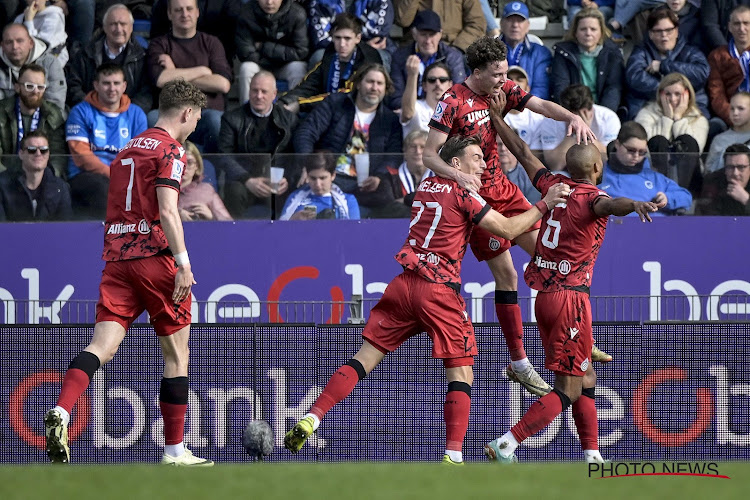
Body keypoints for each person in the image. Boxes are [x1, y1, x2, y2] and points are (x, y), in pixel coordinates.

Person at [283, 134, 571, 463]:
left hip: (405, 283)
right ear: (456, 164)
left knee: (364, 358)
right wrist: (544, 203)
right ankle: (453, 455)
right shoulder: (464, 194)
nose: (483, 163)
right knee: (462, 372)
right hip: (439, 291)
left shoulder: (426, 186)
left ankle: (313, 416)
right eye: (476, 157)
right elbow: (506, 229)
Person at [484, 95, 664, 465]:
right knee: (567, 388)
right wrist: (635, 204)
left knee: (587, 377)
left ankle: (592, 455)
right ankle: (508, 442)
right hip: (570, 300)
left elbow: (520, 150)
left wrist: (495, 117)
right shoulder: (594, 197)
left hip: (545, 298)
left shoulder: (553, 185)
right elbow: (609, 206)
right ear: (598, 167)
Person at [423, 35, 606, 398]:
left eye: (505, 73)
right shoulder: (452, 101)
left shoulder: (502, 86)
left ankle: (579, 336)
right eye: (496, 74)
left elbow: (538, 104)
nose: (504, 81)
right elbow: (430, 155)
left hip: (504, 189)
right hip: (475, 200)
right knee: (507, 276)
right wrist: (460, 176)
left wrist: (571, 117)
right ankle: (519, 362)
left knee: (551, 257)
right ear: (476, 72)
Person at [44, 78, 213, 467]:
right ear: (186, 113)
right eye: (197, 118)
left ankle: (63, 410)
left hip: (117, 259)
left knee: (100, 347)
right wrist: (183, 264)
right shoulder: (173, 150)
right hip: (155, 258)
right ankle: (174, 450)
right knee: (177, 355)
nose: (196, 126)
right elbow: (168, 210)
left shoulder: (125, 149)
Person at [294, 62, 404, 218]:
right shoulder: (335, 103)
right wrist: (308, 163)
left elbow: (394, 154)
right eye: (370, 81)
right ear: (358, 83)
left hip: (366, 183)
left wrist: (379, 176)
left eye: (380, 83)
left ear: (385, 89)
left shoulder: (390, 119)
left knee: (389, 197)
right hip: (331, 177)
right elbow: (306, 132)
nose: (374, 87)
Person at [147, 0, 232, 153]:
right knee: (153, 119)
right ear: (169, 14)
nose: (185, 14)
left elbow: (223, 84)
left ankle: (211, 172)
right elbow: (161, 80)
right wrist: (203, 70)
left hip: (205, 113)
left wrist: (175, 72)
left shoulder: (212, 43)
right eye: (178, 10)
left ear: (197, 12)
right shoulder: (159, 44)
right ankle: (165, 171)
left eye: (189, 9)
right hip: (171, 113)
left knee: (216, 121)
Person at [66, 62, 147, 219]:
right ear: (96, 85)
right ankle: (109, 238)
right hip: (86, 175)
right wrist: (114, 176)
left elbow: (140, 155)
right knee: (103, 188)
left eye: (116, 83)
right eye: (106, 83)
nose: (112, 89)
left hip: (124, 177)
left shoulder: (137, 114)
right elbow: (82, 156)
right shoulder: (80, 111)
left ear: (124, 86)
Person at [218, 71, 297, 219]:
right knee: (234, 190)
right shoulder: (232, 118)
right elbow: (224, 155)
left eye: (264, 91)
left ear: (274, 94)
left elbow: (295, 155)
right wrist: (247, 179)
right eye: (254, 90)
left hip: (277, 181)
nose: (258, 96)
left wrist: (288, 177)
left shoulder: (290, 120)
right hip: (244, 179)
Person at [278, 13, 385, 114]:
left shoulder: (367, 60)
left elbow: (343, 96)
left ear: (358, 38)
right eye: (338, 38)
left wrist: (300, 105)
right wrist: (285, 101)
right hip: (326, 112)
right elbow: (310, 84)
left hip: (354, 114)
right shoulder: (331, 54)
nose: (342, 44)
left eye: (347, 38)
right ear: (332, 37)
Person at [624, 7, 710, 120]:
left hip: (690, 104)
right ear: (650, 34)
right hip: (651, 105)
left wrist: (663, 66)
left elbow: (702, 72)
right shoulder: (641, 51)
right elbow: (635, 77)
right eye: (658, 31)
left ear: (677, 31)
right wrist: (667, 93)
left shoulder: (690, 51)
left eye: (669, 30)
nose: (664, 36)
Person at [66, 3, 152, 112]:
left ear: (131, 28)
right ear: (105, 27)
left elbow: (146, 94)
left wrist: (127, 112)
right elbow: (73, 86)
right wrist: (91, 108)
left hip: (127, 116)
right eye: (113, 24)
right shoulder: (85, 54)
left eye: (123, 24)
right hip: (90, 113)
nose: (118, 29)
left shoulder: (142, 57)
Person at [599, 121, 693, 215]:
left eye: (642, 152)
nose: (636, 156)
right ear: (617, 144)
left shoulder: (654, 177)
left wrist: (668, 198)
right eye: (631, 150)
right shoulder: (600, 176)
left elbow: (686, 197)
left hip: (656, 227)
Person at [634, 72, 708, 188]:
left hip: (688, 179)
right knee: (658, 140)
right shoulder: (646, 114)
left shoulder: (699, 119)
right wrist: (667, 119)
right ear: (660, 95)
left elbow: (694, 149)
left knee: (687, 140)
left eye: (678, 94)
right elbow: (647, 147)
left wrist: (678, 119)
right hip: (653, 177)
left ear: (687, 95)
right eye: (668, 94)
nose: (673, 99)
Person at [234, 0, 309, 105]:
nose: (269, 2)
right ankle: (245, 117)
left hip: (285, 65)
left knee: (299, 68)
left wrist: (263, 46)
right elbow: (245, 52)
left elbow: (301, 51)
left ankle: (292, 114)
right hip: (259, 64)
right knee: (246, 68)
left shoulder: (296, 13)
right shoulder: (246, 13)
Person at [550, 8, 625, 113]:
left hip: (603, 112)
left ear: (601, 32)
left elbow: (613, 90)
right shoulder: (563, 53)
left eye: (593, 29)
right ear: (575, 32)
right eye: (583, 29)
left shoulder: (613, 54)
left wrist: (601, 116)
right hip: (572, 111)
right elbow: (561, 88)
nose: (588, 33)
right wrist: (575, 115)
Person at [389, 9, 465, 110]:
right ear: (414, 34)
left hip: (443, 113)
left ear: (440, 34)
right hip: (411, 114)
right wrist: (419, 112)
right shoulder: (400, 56)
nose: (428, 41)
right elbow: (395, 98)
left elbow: (459, 96)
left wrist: (435, 113)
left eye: (432, 35)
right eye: (423, 35)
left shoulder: (453, 57)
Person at [0, 63, 66, 176]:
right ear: (17, 87)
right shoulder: (1, 112)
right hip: (6, 177)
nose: (35, 91)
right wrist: (7, 179)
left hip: (41, 177)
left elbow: (58, 155)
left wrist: (48, 178)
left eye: (40, 87)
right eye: (29, 86)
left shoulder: (53, 114)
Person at [540, 84, 621, 171]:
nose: (579, 120)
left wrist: (586, 133)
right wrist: (574, 133)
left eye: (583, 113)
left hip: (598, 171)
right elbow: (556, 166)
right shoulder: (550, 120)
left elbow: (607, 159)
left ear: (591, 108)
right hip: (566, 171)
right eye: (573, 116)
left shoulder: (608, 118)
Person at [0, 129, 71, 221]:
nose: (38, 154)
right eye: (32, 150)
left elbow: (66, 229)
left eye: (43, 150)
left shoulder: (60, 187)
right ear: (21, 154)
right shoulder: (2, 185)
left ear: (49, 154)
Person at [0, 23, 66, 110]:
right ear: (2, 46)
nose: (15, 47)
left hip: (45, 118)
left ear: (31, 43)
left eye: (19, 41)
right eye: (9, 42)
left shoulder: (50, 62)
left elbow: (56, 103)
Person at [280, 151, 360, 220]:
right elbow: (279, 232)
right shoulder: (294, 198)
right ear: (307, 176)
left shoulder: (348, 200)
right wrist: (292, 221)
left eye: (323, 178)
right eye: (313, 178)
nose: (318, 184)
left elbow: (354, 233)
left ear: (333, 176)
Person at [707, 5, 750, 127]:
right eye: (737, 24)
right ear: (730, 27)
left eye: (746, 23)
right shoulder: (717, 56)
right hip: (733, 115)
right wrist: (734, 118)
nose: (742, 28)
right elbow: (717, 95)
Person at [499, 2, 552, 100]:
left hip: (529, 110)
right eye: (510, 20)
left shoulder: (541, 53)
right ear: (501, 23)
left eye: (520, 20)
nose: (515, 25)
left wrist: (524, 109)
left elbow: (541, 89)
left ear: (528, 25)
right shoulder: (488, 52)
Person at [393, 0, 486, 53]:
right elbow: (402, 20)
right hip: (417, 46)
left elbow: (477, 24)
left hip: (453, 46)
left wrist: (457, 48)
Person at [178, 140, 232, 221]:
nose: (184, 167)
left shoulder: (207, 190)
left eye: (189, 162)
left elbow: (229, 224)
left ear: (197, 166)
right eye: (180, 162)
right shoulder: (160, 190)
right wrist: (176, 215)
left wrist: (211, 217)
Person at [400, 61, 453, 137]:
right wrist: (413, 75)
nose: (437, 84)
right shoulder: (416, 107)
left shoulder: (458, 112)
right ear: (424, 86)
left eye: (442, 80)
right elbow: (407, 114)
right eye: (432, 80)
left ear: (450, 85)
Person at [696, 142, 750, 214]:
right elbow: (707, 217)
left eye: (741, 167)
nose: (735, 173)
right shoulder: (713, 181)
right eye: (730, 167)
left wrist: (746, 200)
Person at [386, 129, 433, 206]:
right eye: (413, 146)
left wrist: (406, 200)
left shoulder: (440, 178)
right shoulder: (391, 177)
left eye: (422, 147)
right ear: (405, 151)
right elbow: (388, 207)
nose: (418, 151)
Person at [705, 91, 750, 172]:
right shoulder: (719, 140)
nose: (735, 113)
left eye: (741, 109)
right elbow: (709, 172)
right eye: (732, 109)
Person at [14, 0, 68, 67]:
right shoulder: (20, 19)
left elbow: (41, 45)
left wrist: (29, 21)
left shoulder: (54, 15)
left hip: (53, 58)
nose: (35, 1)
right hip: (26, 60)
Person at [503, 66, 544, 152]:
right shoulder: (494, 115)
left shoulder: (538, 118)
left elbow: (537, 153)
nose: (514, 83)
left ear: (528, 88)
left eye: (519, 79)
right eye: (509, 79)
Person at [498, 136, 540, 205]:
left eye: (507, 144)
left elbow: (533, 207)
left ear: (516, 148)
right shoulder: (485, 175)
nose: (503, 149)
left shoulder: (530, 176)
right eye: (499, 144)